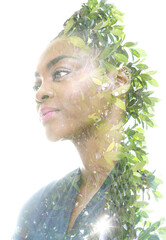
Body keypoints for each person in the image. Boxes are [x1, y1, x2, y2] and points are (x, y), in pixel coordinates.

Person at [12, 0, 159, 239]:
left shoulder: (152, 193)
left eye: (60, 73)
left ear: (118, 81)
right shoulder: (35, 209)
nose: (40, 93)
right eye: (37, 84)